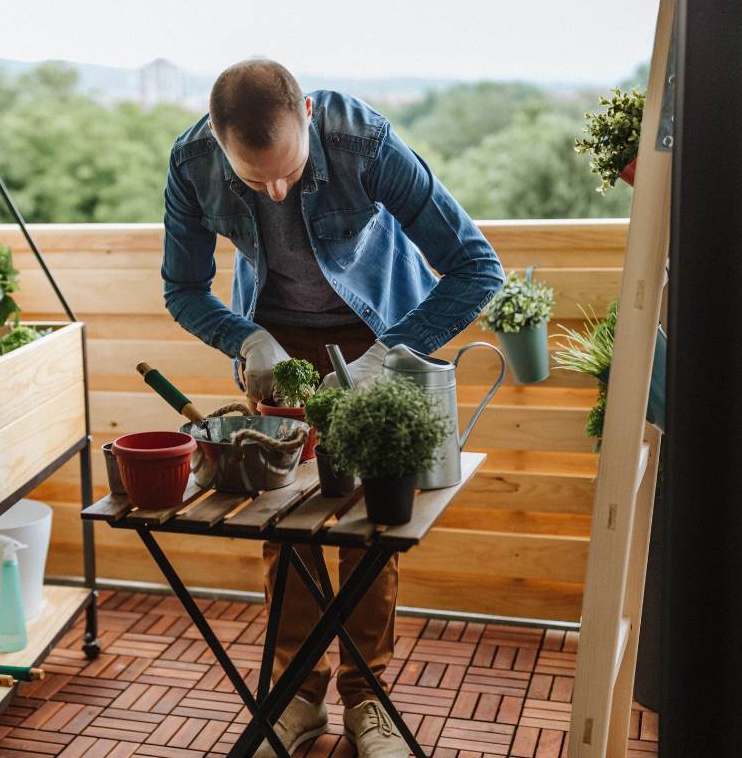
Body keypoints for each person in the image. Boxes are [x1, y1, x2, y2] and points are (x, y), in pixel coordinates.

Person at [161, 59, 504, 758]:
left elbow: (477, 267)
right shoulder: (192, 164)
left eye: (289, 169)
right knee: (283, 520)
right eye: (256, 181)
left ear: (310, 116)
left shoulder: (365, 142)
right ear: (219, 144)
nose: (278, 190)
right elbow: (182, 288)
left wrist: (390, 354)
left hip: (379, 334)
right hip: (277, 347)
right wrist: (246, 337)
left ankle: (367, 702)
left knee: (371, 520)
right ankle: (298, 699)